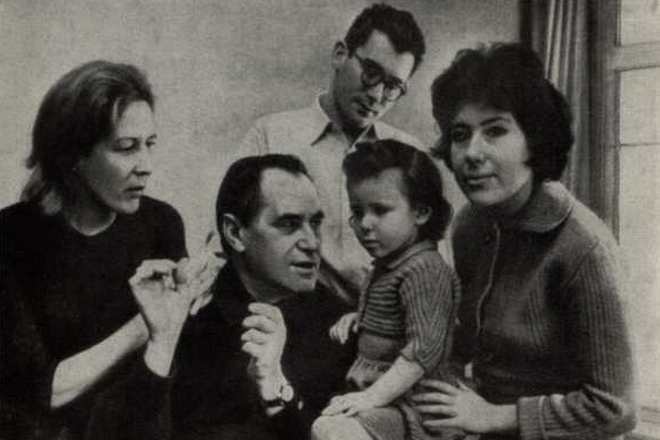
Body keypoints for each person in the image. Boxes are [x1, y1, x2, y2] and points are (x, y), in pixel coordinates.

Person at [411, 43, 637, 440]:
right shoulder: (469, 226)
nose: (471, 153)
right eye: (460, 135)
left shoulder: (584, 248)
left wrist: (495, 417)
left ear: (535, 139)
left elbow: (615, 408)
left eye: (495, 131)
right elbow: (466, 348)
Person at [0, 60, 209, 439]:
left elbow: (169, 377)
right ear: (72, 155)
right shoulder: (11, 236)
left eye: (149, 145)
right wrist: (143, 327)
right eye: (126, 148)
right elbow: (38, 392)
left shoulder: (161, 224)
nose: (145, 166)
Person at [91, 154, 356, 440]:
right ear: (235, 233)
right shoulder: (179, 311)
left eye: (315, 223)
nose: (312, 243)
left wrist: (276, 390)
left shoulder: (341, 326)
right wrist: (161, 344)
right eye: (289, 224)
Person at [238, 3, 426, 302]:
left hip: (385, 321)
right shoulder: (270, 135)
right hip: (287, 316)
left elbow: (432, 265)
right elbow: (227, 244)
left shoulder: (411, 154)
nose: (376, 95)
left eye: (393, 87)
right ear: (340, 54)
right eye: (371, 72)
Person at [312, 140, 461, 440]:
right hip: (387, 398)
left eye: (380, 210)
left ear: (421, 212)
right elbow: (397, 319)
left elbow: (424, 351)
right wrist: (360, 318)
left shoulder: (425, 269)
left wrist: (371, 398)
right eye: (357, 211)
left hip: (415, 404)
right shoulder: (389, 265)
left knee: (330, 430)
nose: (365, 224)